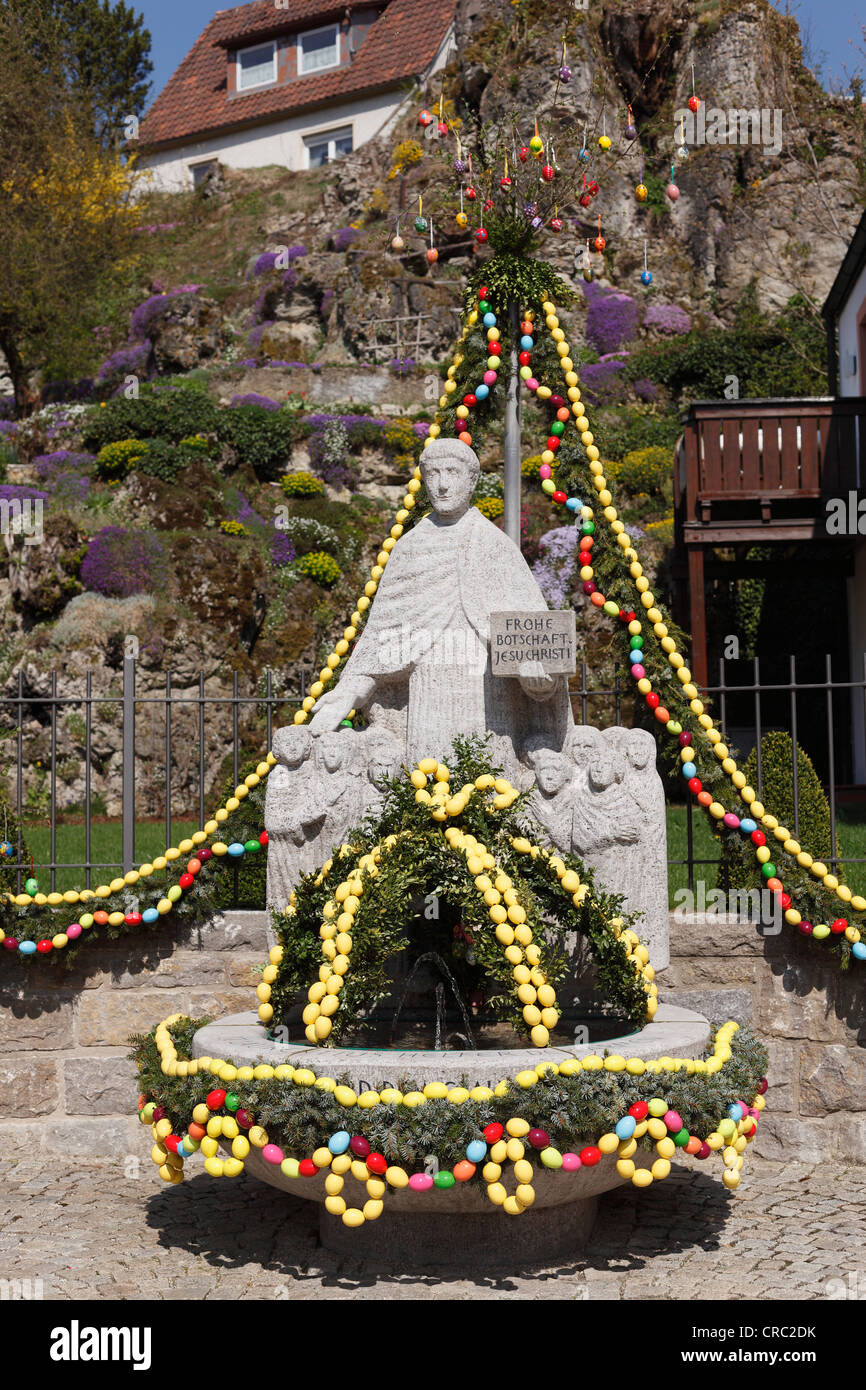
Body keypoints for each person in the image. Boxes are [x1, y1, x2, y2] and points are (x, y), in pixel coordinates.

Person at [307, 439, 573, 766]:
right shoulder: (409, 549)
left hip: (487, 697)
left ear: (472, 480)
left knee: (490, 788)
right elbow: (383, 638)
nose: (443, 485)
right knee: (425, 786)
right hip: (427, 693)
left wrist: (539, 679)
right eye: (433, 474)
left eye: (452, 473)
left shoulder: (495, 547)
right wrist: (349, 690)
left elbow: (534, 643)